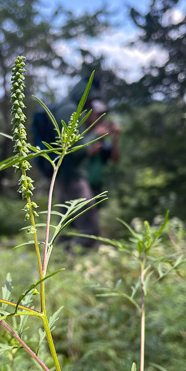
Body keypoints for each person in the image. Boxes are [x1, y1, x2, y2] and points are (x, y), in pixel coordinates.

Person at [53, 76, 120, 247]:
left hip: (89, 185)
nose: (100, 119)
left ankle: (64, 257)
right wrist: (94, 136)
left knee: (68, 225)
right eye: (96, 115)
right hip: (74, 181)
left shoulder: (98, 137)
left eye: (102, 116)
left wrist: (113, 138)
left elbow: (114, 158)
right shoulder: (84, 134)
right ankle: (72, 259)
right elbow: (79, 151)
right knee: (85, 228)